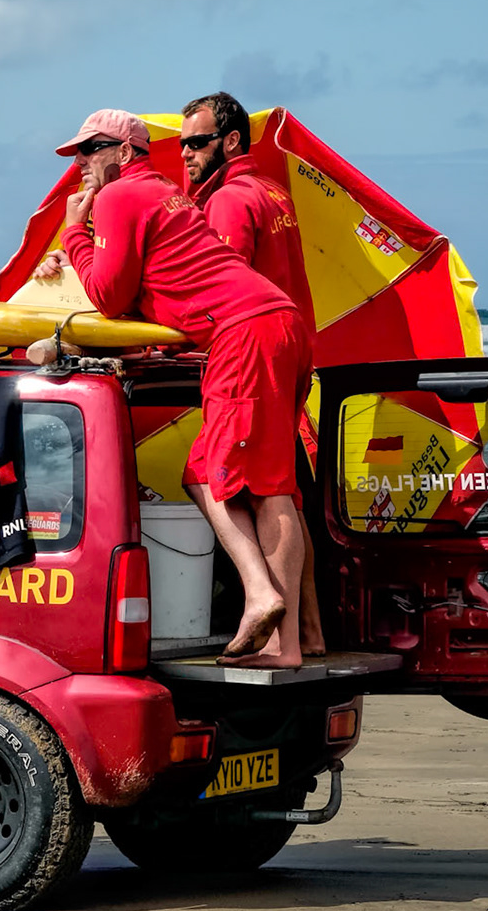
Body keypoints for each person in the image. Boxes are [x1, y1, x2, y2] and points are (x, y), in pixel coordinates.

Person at [49, 109, 315, 669]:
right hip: (276, 325)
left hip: (243, 334)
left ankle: (261, 597)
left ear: (123, 153)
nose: (79, 164)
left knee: (209, 477)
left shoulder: (119, 198)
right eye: (76, 153)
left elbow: (110, 296)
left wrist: (75, 233)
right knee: (273, 484)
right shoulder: (168, 193)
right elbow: (170, 273)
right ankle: (292, 641)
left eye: (89, 150)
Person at [181, 91, 327, 657]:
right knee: (280, 485)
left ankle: (277, 634)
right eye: (184, 144)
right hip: (290, 347)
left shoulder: (229, 201)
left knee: (228, 480)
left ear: (232, 141)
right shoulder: (272, 192)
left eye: (197, 142)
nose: (186, 155)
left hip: (250, 347)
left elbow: (221, 285)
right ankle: (308, 632)